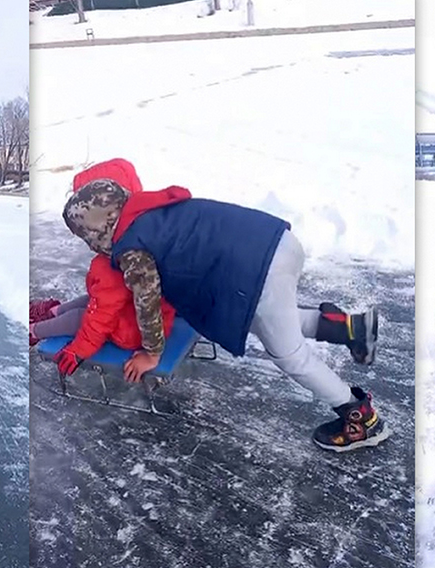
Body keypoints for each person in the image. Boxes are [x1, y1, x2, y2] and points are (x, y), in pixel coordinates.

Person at [61, 177, 385, 452]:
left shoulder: (131, 244)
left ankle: (361, 417)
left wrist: (152, 352)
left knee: (290, 356)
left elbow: (146, 296)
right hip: (277, 242)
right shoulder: (152, 210)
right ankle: (351, 329)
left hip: (257, 270)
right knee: (268, 320)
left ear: (96, 228)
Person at [29, 159, 177, 359]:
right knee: (95, 298)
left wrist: (78, 351)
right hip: (154, 314)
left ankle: (34, 330)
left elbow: (99, 318)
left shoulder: (117, 260)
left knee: (84, 315)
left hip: (134, 332)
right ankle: (54, 311)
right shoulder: (148, 229)